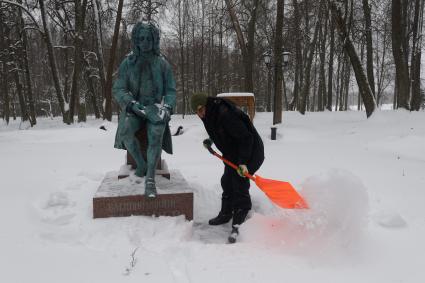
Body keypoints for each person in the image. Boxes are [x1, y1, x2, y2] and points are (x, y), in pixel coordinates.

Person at [113, 22, 176, 198]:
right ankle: (140, 164)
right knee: (125, 130)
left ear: (155, 40)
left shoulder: (163, 64)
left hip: (155, 108)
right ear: (136, 40)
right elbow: (118, 89)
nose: (145, 42)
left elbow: (171, 91)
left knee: (156, 134)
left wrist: (167, 108)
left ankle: (150, 178)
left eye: (149, 38)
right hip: (135, 108)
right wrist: (131, 104)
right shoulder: (128, 63)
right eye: (141, 38)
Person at [191, 93, 264, 240]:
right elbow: (220, 130)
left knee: (238, 182)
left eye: (200, 110)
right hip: (232, 153)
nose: (200, 114)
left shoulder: (226, 114)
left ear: (206, 105)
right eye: (197, 112)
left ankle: (240, 221)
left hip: (250, 152)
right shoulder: (209, 114)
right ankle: (226, 213)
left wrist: (243, 162)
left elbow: (246, 138)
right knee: (226, 181)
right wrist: (211, 140)